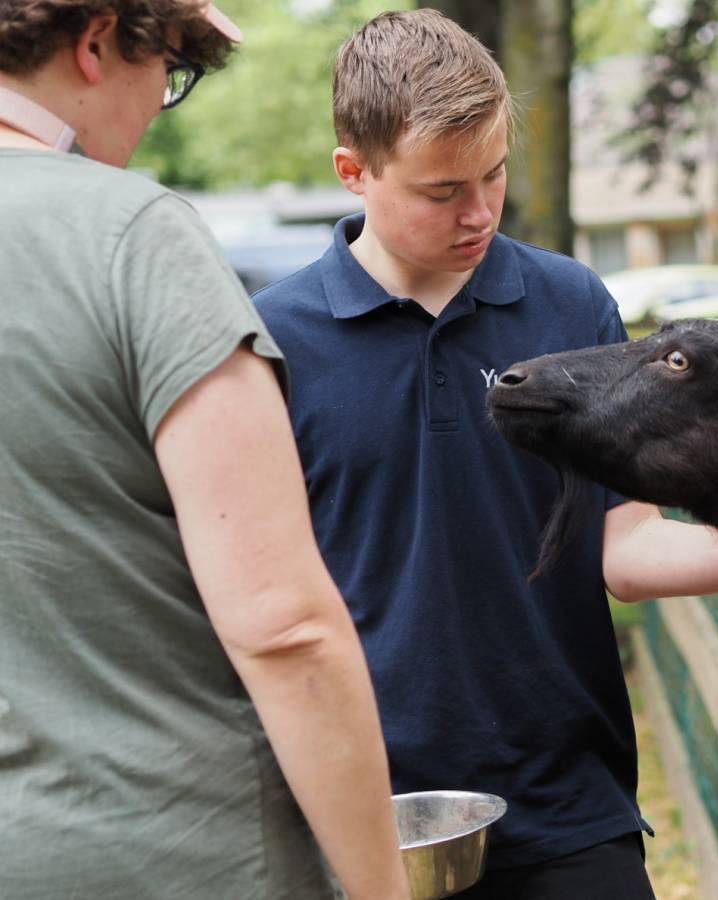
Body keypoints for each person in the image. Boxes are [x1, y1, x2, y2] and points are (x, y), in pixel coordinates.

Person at [253, 9, 718, 898]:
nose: (481, 210)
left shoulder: (570, 305)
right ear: (353, 172)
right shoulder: (274, 342)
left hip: (570, 807)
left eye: (494, 174)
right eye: (443, 190)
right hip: (363, 820)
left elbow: (629, 545)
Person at [0, 3, 409, 898]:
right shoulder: (131, 235)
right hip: (182, 853)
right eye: (171, 72)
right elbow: (283, 626)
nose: (157, 109)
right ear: (98, 40)